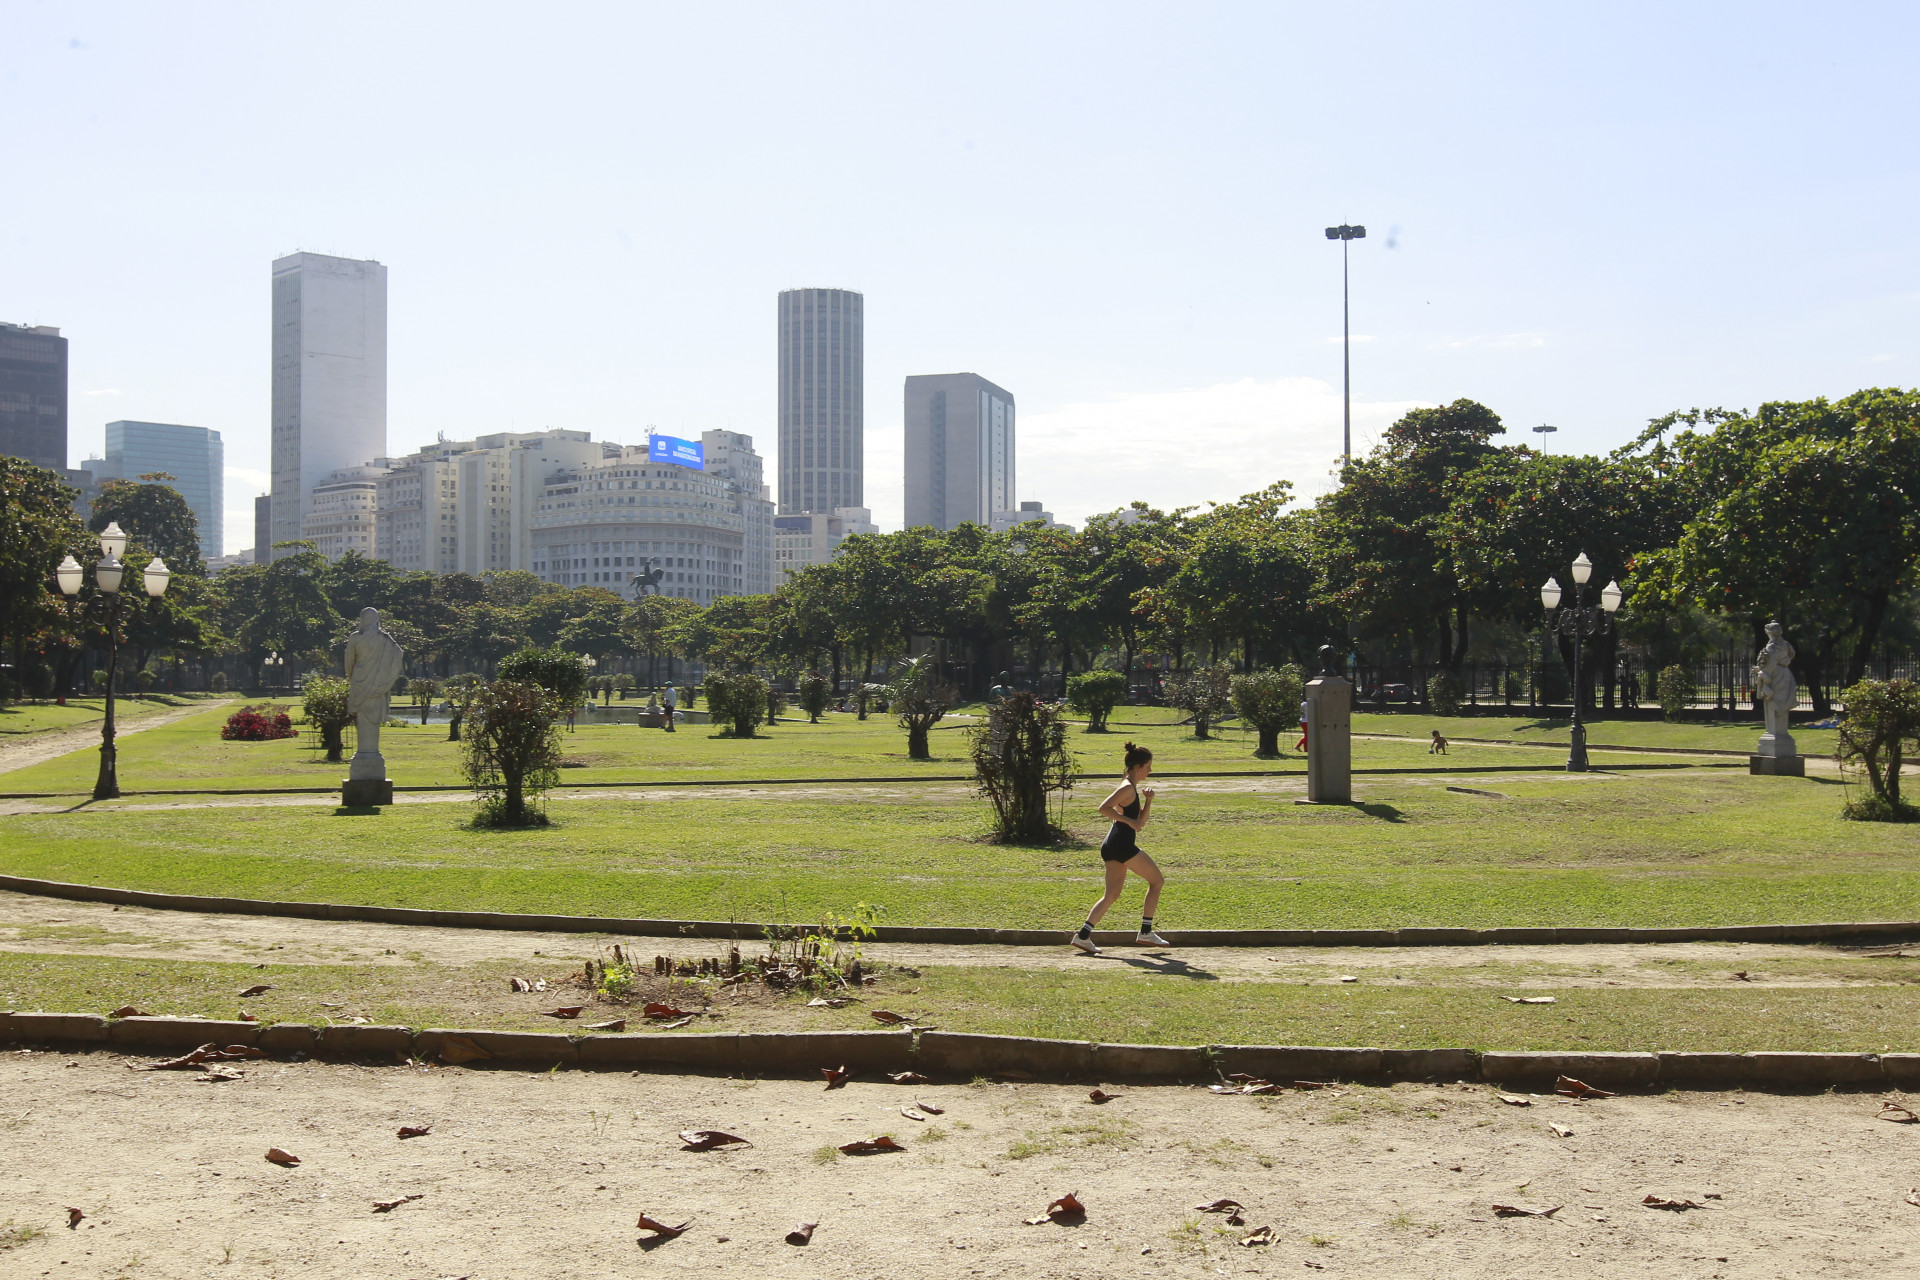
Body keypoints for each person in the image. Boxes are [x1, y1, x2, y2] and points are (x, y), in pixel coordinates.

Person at [1069, 742, 1170, 954]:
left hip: (1113, 845)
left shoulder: (1131, 788)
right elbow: (1103, 808)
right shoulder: (1126, 787)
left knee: (1111, 895)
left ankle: (1083, 936)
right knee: (1157, 881)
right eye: (1149, 766)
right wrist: (1128, 822)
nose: (1150, 771)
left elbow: (1140, 823)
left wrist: (1148, 801)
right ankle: (1146, 931)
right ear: (1139, 766)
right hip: (1121, 845)